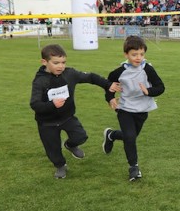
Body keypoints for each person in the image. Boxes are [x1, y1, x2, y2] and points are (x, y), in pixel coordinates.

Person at [30, 44, 119, 179]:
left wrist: (108, 84)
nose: (61, 66)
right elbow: (35, 104)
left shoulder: (70, 74)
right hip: (47, 123)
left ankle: (70, 145)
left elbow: (91, 77)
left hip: (67, 117)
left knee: (81, 136)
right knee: (52, 148)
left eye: (63, 62)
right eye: (56, 63)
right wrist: (52, 104)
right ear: (44, 62)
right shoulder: (40, 81)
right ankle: (60, 166)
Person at [102, 36, 166, 181]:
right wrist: (110, 97)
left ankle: (111, 135)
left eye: (141, 54)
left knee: (130, 136)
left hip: (142, 110)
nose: (138, 58)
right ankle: (134, 168)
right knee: (130, 137)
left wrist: (148, 91)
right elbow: (109, 85)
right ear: (126, 55)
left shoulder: (148, 69)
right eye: (134, 54)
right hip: (124, 108)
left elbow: (160, 87)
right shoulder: (119, 71)